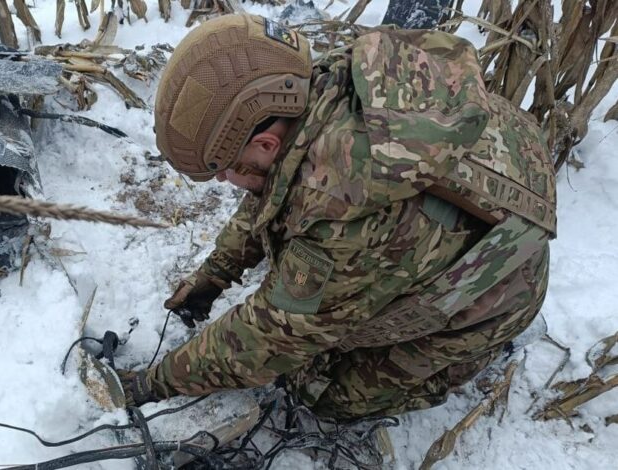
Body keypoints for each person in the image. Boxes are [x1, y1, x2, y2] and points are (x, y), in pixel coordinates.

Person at [119, 13, 556, 420]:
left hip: (497, 291)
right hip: (491, 193)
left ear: (267, 144)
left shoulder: (344, 211)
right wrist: (215, 273)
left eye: (225, 169)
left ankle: (468, 358)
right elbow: (269, 193)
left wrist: (152, 383)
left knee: (322, 392)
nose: (223, 182)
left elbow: (266, 341)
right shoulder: (324, 88)